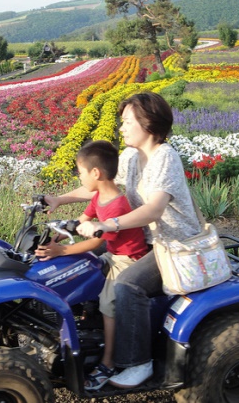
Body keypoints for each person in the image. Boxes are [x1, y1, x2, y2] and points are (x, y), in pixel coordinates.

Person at [46, 92, 202, 389]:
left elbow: (154, 209)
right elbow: (101, 186)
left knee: (128, 283)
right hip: (144, 238)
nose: (121, 128)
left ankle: (137, 362)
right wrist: (59, 199)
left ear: (148, 123)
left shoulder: (164, 157)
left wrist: (106, 225)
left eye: (127, 121)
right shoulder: (132, 156)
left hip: (174, 245)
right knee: (83, 263)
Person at [35, 140, 149, 391]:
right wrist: (60, 235)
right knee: (78, 272)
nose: (79, 176)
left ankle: (108, 362)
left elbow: (93, 242)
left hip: (128, 260)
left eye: (81, 172)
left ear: (95, 173)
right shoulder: (99, 195)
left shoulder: (118, 204)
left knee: (109, 302)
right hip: (113, 254)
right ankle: (86, 321)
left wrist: (61, 250)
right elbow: (82, 220)